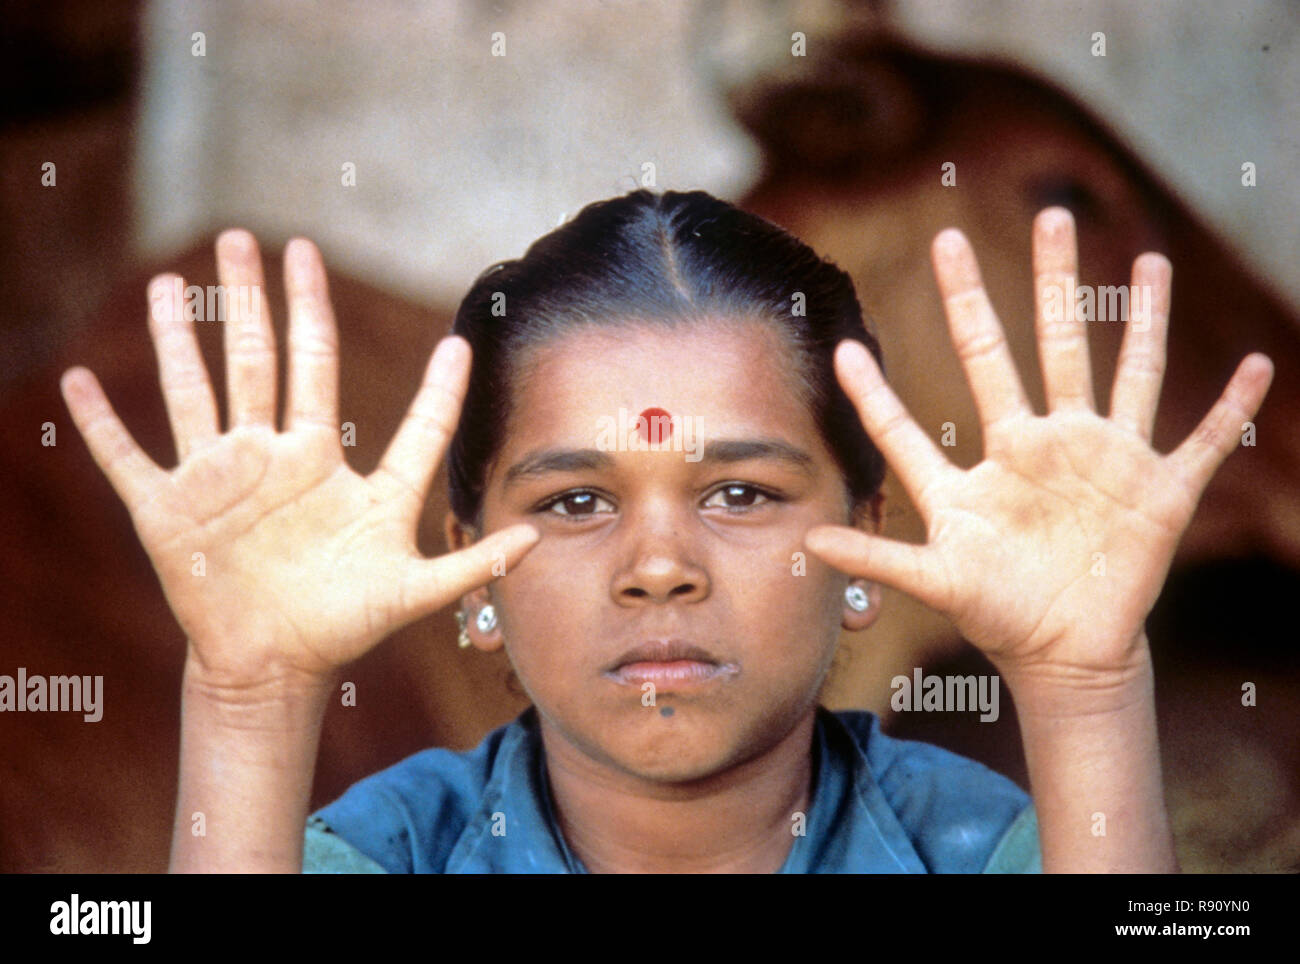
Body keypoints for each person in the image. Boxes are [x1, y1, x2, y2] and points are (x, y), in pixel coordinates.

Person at [60, 190, 1272, 873]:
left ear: (862, 543)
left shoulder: (962, 845)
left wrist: (1083, 683)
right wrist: (251, 695)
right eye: (573, 500)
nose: (657, 567)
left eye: (740, 494)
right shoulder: (394, 852)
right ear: (469, 565)